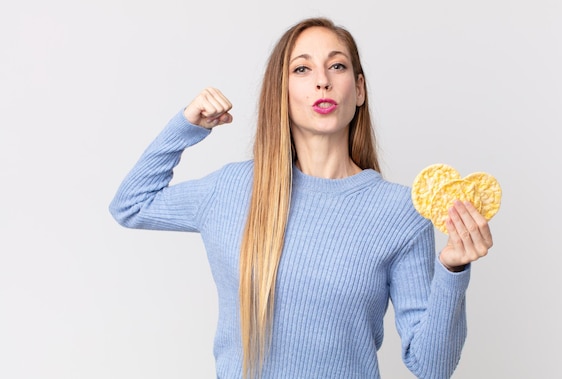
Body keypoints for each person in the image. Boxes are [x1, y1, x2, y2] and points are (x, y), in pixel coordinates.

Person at [109, 17, 493, 379]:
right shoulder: (232, 189)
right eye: (302, 69)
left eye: (337, 67)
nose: (322, 82)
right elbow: (131, 205)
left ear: (358, 90)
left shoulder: (399, 212)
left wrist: (452, 270)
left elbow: (431, 367)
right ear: (282, 91)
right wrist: (187, 125)